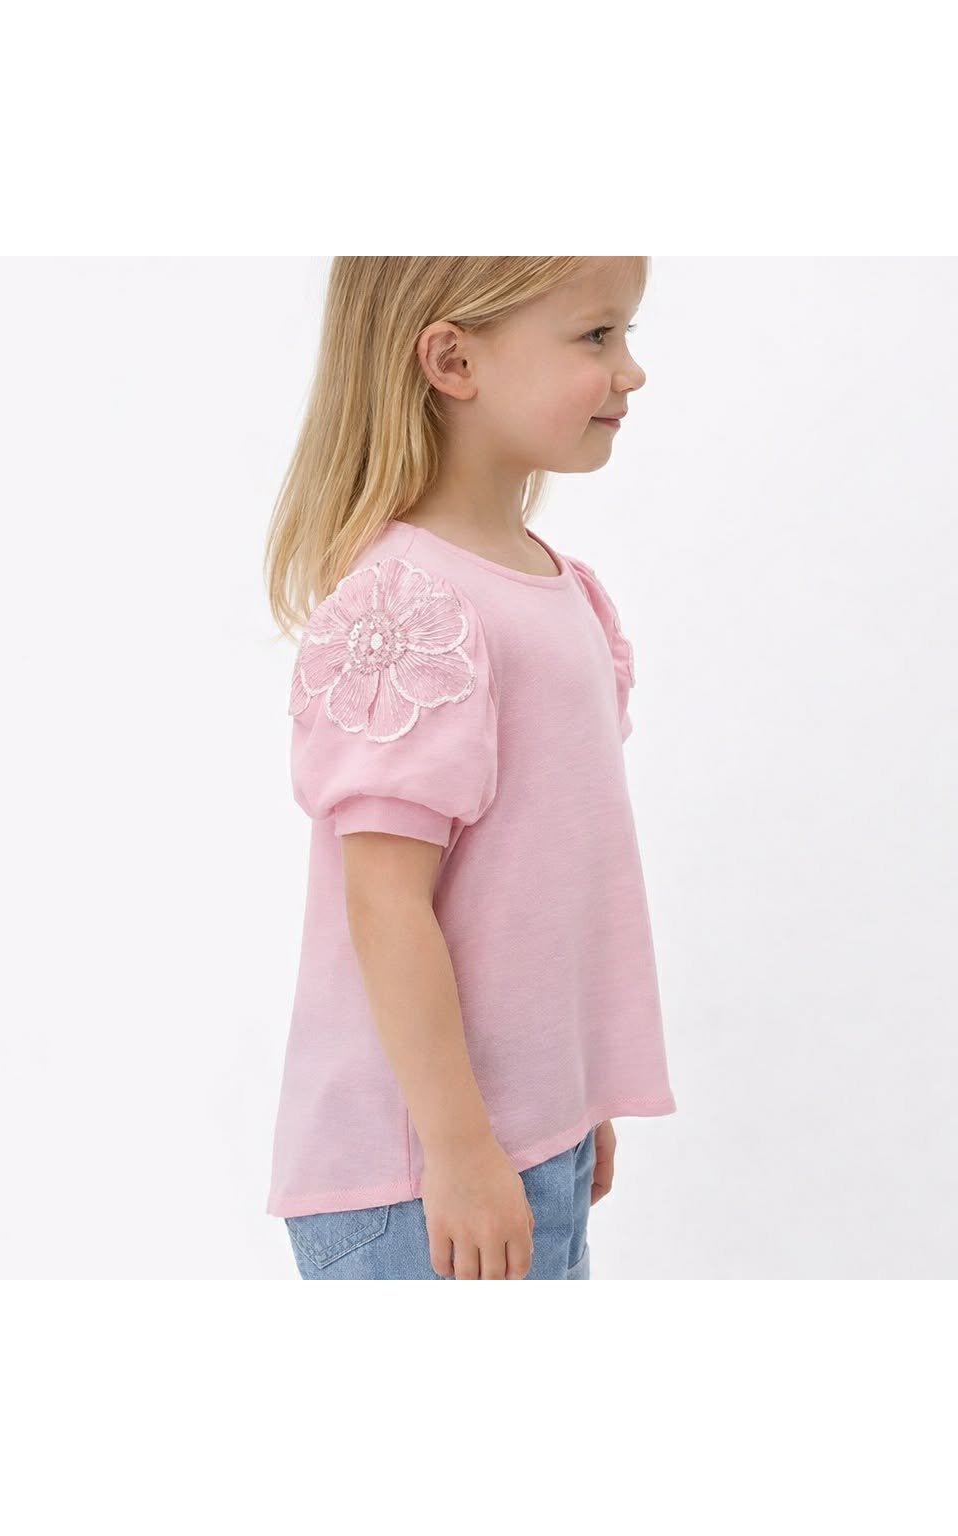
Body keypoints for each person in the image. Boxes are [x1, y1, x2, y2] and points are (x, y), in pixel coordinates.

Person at [263, 256, 677, 1280]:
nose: (630, 371)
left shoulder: (558, 590)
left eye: (624, 334)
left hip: (515, 1147)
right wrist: (457, 1148)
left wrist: (570, 1102)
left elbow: (537, 884)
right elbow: (385, 902)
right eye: (596, 336)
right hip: (419, 1173)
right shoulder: (411, 605)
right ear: (453, 361)